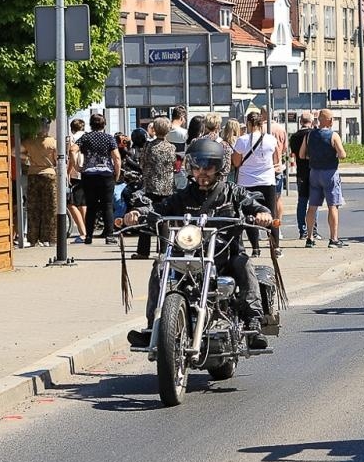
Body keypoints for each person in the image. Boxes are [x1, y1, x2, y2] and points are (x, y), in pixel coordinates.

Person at [121, 139, 275, 349]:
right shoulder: (184, 196)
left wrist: (262, 214)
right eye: (196, 166)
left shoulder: (232, 192)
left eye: (208, 167)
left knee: (243, 263)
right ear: (189, 167)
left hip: (224, 255)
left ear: (220, 167)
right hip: (189, 255)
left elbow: (255, 204)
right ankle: (153, 329)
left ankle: (253, 322)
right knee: (159, 266)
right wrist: (138, 213)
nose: (202, 172)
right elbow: (161, 208)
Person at [232, 108, 282, 255]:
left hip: (246, 182)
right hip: (267, 181)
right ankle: (276, 247)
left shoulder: (242, 141)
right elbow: (277, 160)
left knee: (250, 216)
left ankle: (255, 248)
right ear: (261, 124)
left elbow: (236, 162)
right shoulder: (271, 140)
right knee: (271, 214)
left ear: (248, 123)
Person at [299, 107, 347, 248]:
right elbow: (342, 154)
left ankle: (309, 238)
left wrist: (313, 156)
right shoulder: (333, 135)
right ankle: (333, 239)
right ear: (328, 120)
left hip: (314, 172)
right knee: (333, 205)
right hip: (330, 173)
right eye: (331, 118)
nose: (332, 120)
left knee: (312, 206)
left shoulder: (309, 135)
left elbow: (302, 155)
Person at [133, 118, 177, 259]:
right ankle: (164, 250)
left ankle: (143, 251)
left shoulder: (148, 146)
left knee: (146, 216)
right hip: (167, 186)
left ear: (154, 129)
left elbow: (142, 164)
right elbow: (173, 165)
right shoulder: (172, 147)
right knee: (165, 219)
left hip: (150, 185)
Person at [76, 113, 122, 244]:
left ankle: (88, 236)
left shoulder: (85, 138)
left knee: (91, 206)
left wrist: (78, 166)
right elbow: (116, 158)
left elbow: (73, 149)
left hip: (89, 175)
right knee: (107, 205)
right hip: (106, 175)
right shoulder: (109, 138)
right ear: (104, 124)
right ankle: (109, 236)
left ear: (91, 124)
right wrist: (116, 173)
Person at [21, 121, 58, 247]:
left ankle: (33, 238)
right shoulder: (53, 142)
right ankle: (50, 238)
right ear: (47, 128)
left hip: (33, 174)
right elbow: (58, 158)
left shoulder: (30, 142)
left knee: (33, 207)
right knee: (50, 207)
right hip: (49, 174)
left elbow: (14, 151)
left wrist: (27, 159)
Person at [287, 111, 320, 242]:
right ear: (311, 122)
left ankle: (302, 230)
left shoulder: (294, 137)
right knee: (314, 203)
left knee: (301, 201)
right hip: (314, 170)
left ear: (300, 122)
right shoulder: (313, 135)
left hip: (301, 172)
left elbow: (293, 153)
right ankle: (314, 230)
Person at [66, 118, 88, 242]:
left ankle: (82, 232)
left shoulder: (72, 138)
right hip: (88, 173)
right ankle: (87, 231)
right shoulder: (87, 137)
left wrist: (68, 172)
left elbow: (71, 155)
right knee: (83, 203)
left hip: (76, 174)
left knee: (71, 203)